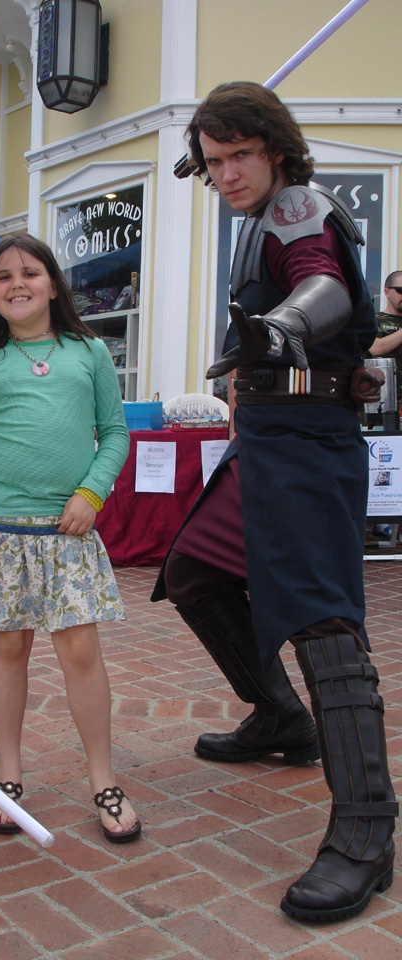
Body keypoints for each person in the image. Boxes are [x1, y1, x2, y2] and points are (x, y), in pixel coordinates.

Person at [152, 82, 397, 922]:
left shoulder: (298, 205)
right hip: (266, 440)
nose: (226, 174)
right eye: (213, 162)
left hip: (306, 442)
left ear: (278, 150)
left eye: (240, 156)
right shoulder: (258, 211)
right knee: (196, 574)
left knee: (323, 622)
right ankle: (281, 717)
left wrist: (286, 325)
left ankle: (366, 829)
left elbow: (322, 284)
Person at [0, 234, 141, 844]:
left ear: (53, 284)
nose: (17, 284)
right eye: (3, 277)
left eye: (29, 273)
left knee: (81, 652)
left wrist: (91, 494)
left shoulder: (89, 352)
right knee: (7, 650)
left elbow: (114, 433)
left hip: (67, 531)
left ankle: (104, 779)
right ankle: (7, 773)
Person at [368, 270, 402, 407]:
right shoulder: (375, 319)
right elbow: (376, 348)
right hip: (383, 398)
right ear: (387, 292)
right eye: (400, 290)